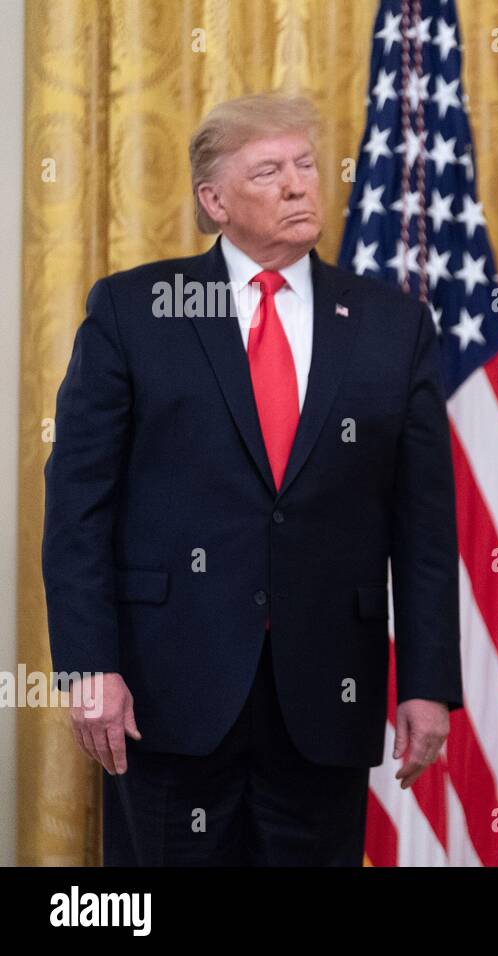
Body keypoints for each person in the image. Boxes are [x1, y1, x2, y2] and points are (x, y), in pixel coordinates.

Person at [42, 93, 461, 865]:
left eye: (305, 165)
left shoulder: (392, 325)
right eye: (269, 171)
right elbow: (77, 504)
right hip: (167, 695)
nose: (299, 184)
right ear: (214, 201)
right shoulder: (135, 309)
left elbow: (426, 523)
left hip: (326, 698)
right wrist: (89, 665)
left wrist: (428, 682)